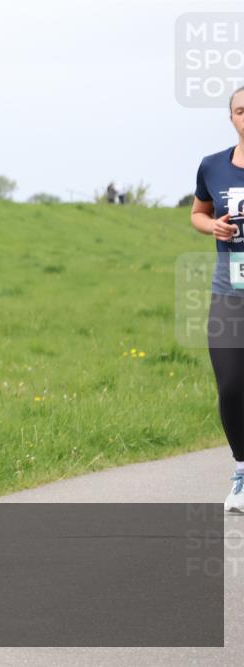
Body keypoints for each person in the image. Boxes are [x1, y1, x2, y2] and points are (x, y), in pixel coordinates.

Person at [190, 84, 244, 513]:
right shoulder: (212, 165)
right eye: (241, 111)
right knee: (230, 384)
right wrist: (214, 227)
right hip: (230, 293)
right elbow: (198, 212)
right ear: (231, 118)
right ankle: (243, 469)